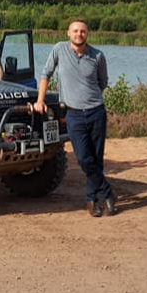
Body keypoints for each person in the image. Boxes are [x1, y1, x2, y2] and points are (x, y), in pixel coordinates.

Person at [33, 19, 118, 217]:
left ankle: (92, 200)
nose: (79, 34)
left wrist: (88, 97)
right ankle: (107, 193)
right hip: (73, 113)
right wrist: (40, 100)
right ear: (68, 33)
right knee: (83, 158)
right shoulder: (59, 50)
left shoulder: (97, 55)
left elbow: (102, 82)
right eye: (75, 31)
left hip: (96, 111)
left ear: (87, 34)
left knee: (96, 158)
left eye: (83, 31)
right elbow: (45, 74)